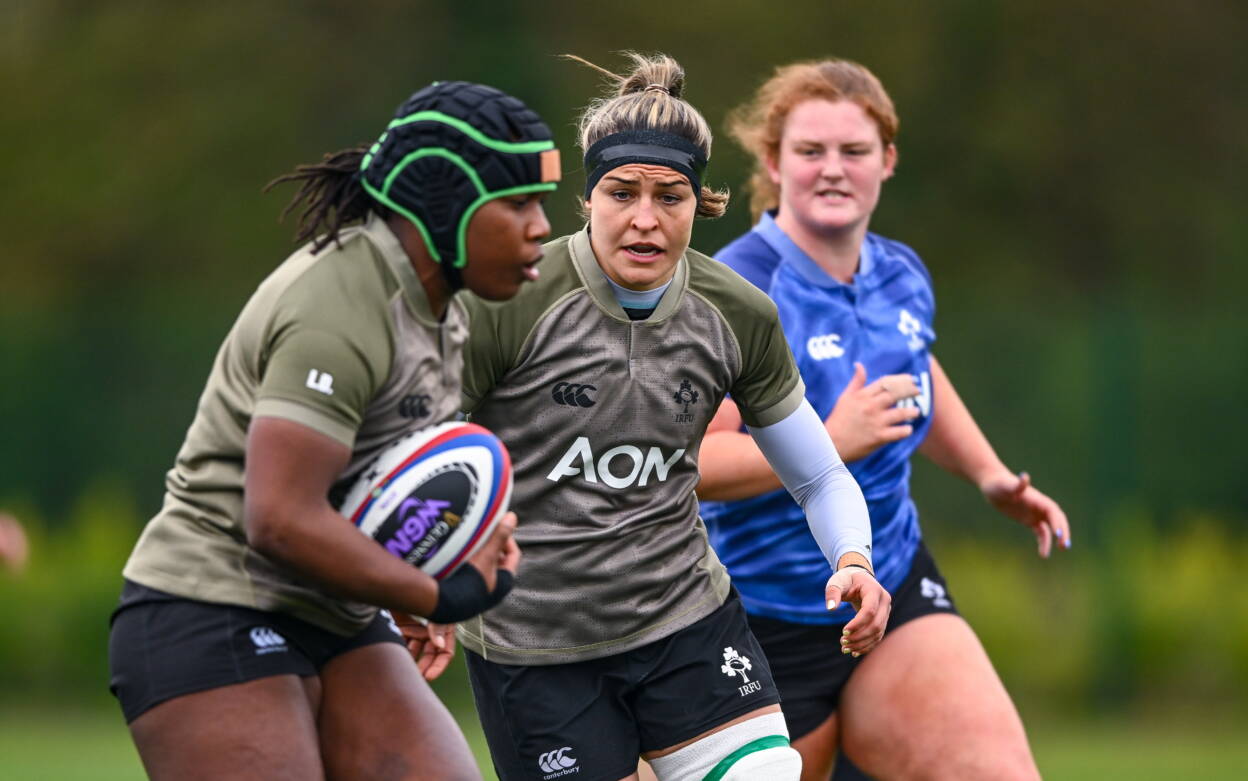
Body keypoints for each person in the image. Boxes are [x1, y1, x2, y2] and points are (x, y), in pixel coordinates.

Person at [107, 80, 561, 781]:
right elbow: (280, 518)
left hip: (333, 615)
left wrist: (438, 559)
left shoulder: (444, 307)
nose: (540, 226)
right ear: (445, 201)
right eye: (518, 203)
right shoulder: (340, 303)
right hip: (209, 605)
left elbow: (387, 482)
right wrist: (434, 593)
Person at [455, 53, 890, 781]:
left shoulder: (737, 313)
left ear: (701, 202)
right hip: (534, 645)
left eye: (672, 195)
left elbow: (818, 476)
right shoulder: (509, 302)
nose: (646, 219)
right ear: (587, 197)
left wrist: (854, 561)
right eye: (622, 192)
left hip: (684, 622)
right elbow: (407, 454)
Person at [697, 58, 1071, 780]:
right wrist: (828, 442)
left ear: (887, 161)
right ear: (773, 163)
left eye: (854, 150)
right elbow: (696, 467)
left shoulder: (901, 272)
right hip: (759, 616)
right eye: (810, 151)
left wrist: (990, 475)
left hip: (891, 585)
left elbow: (916, 372)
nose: (832, 169)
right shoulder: (738, 290)